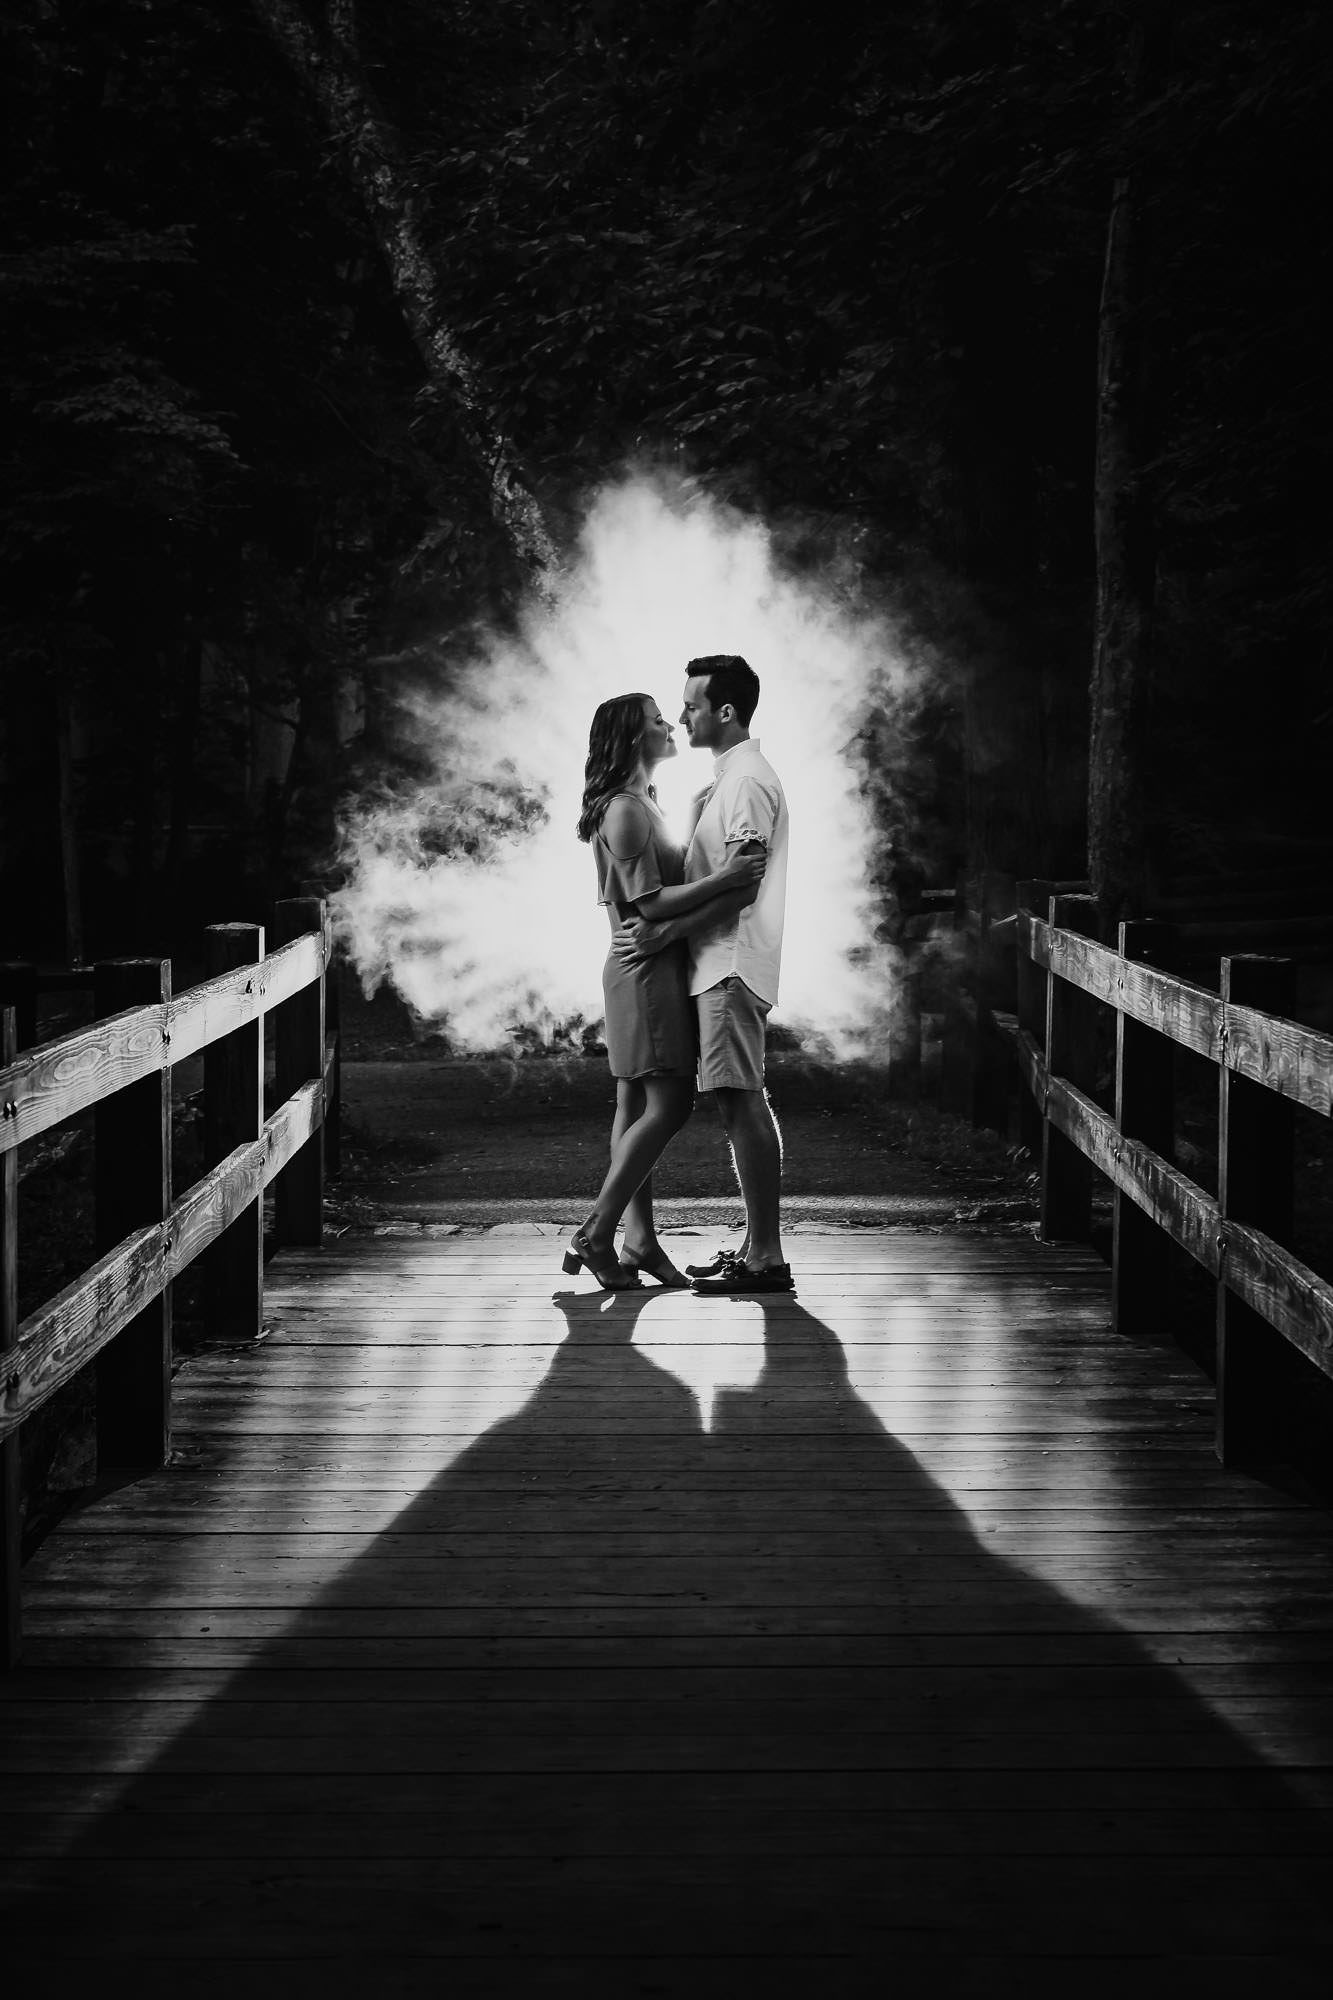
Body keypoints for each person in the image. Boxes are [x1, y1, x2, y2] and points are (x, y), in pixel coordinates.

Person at [563, 691, 766, 1290]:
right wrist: (728, 876)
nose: (671, 724)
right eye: (658, 720)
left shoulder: (644, 802)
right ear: (633, 739)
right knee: (670, 1104)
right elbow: (649, 903)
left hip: (645, 968)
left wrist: (696, 812)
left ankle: (639, 1240)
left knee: (633, 1106)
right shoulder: (625, 809)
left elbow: (659, 875)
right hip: (645, 972)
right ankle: (598, 1234)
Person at [614, 655, 792, 1294]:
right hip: (719, 961)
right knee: (738, 1096)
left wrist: (666, 930)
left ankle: (766, 1255)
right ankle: (757, 1246)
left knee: (740, 1097)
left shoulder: (743, 781)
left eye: (690, 705)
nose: (682, 714)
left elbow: (743, 882)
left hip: (730, 961)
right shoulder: (727, 781)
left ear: (724, 711)